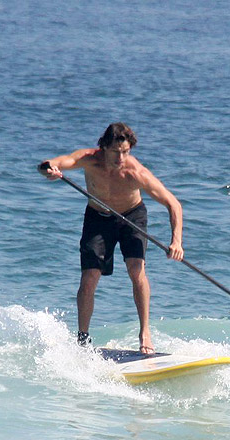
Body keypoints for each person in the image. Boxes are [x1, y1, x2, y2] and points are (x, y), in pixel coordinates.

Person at [38, 123, 184, 354]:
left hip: (132, 217)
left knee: (137, 271)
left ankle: (145, 331)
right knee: (89, 278)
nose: (121, 157)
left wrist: (176, 241)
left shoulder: (136, 173)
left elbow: (173, 204)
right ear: (104, 147)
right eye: (116, 152)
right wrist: (50, 171)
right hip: (98, 218)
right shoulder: (88, 159)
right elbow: (51, 163)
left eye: (126, 152)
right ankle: (83, 339)